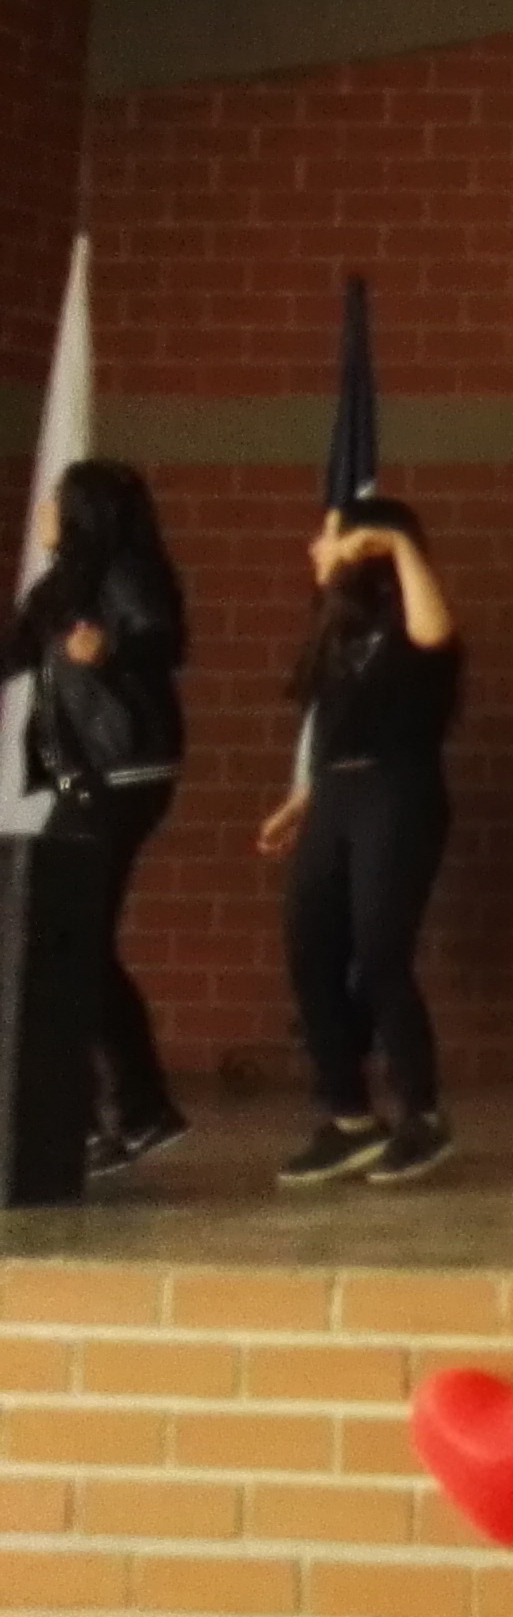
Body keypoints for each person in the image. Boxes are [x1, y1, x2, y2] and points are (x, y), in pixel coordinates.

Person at [263, 497, 462, 1186]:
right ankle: (349, 1118)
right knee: (310, 948)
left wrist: (398, 549)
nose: (315, 548)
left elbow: (434, 633)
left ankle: (422, 1115)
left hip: (398, 793)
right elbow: (333, 727)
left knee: (380, 954)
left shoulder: (413, 623)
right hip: (336, 796)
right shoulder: (338, 631)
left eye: (331, 537)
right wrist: (304, 800)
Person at [2, 463, 190, 1174]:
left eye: (57, 498)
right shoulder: (66, 584)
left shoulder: (122, 572)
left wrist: (111, 650)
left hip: (120, 774)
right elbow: (20, 651)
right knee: (60, 941)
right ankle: (114, 1114)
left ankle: (123, 1111)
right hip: (87, 778)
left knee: (66, 940)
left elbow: (163, 640)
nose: (45, 509)